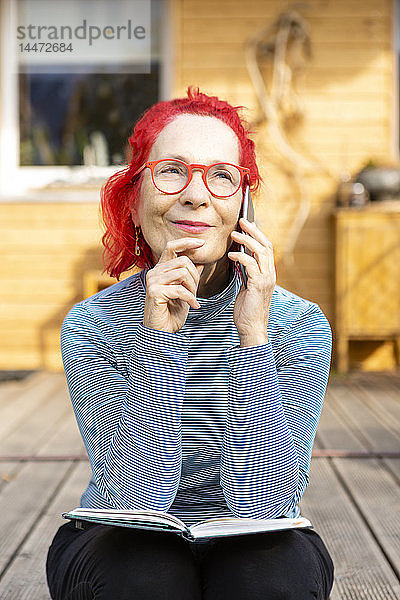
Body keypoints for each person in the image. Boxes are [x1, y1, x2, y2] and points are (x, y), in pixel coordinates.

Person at [46, 87, 334, 599]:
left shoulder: (299, 324)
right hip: (125, 537)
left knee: (270, 573)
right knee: (146, 573)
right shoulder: (93, 324)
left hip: (251, 536)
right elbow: (135, 503)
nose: (196, 194)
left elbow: (267, 505)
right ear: (134, 201)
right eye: (173, 170)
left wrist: (253, 339)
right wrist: (155, 344)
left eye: (222, 176)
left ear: (244, 207)